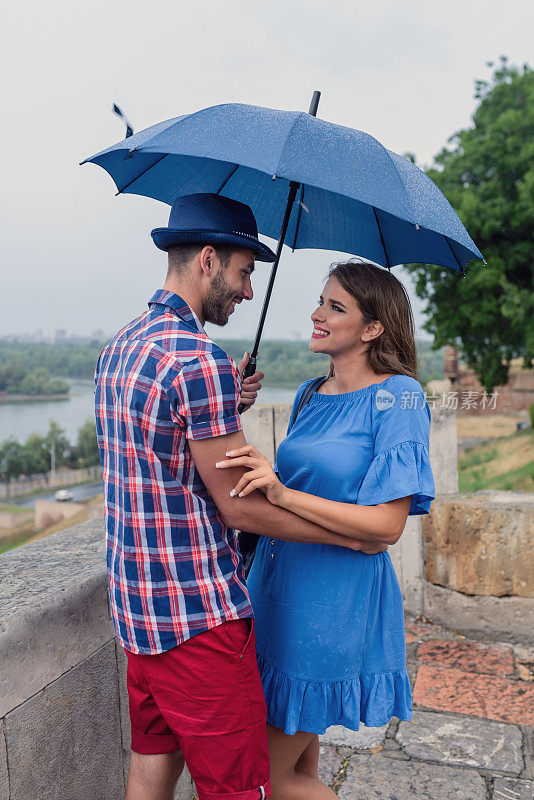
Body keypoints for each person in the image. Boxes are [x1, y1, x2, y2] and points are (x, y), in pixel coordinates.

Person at [94, 194, 385, 800]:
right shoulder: (198, 360)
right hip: (197, 620)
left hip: (139, 615)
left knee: (150, 767)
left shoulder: (121, 346)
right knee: (242, 788)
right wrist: (350, 535)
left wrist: (228, 400)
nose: (249, 291)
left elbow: (162, 449)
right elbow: (239, 506)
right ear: (207, 260)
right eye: (244, 271)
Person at [216, 260, 436, 800]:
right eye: (320, 301)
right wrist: (229, 404)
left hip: (332, 603)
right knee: (300, 770)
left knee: (265, 777)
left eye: (335, 307)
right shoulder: (311, 394)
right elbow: (295, 487)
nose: (316, 314)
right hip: (277, 589)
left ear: (372, 328)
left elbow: (386, 525)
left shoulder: (400, 397)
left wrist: (284, 493)